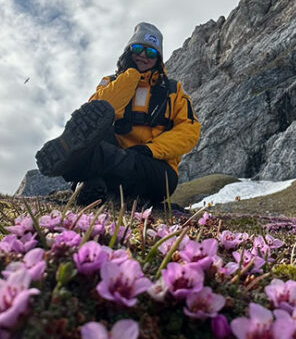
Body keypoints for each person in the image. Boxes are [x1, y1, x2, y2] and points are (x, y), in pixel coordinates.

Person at [35, 22, 201, 206]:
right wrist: (130, 76)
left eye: (151, 52)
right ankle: (94, 187)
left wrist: (150, 149)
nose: (144, 56)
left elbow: (189, 130)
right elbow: (98, 110)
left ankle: (77, 165)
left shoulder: (172, 90)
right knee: (99, 128)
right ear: (128, 51)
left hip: (156, 168)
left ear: (159, 59)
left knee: (92, 155)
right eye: (138, 48)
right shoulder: (111, 82)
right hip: (115, 154)